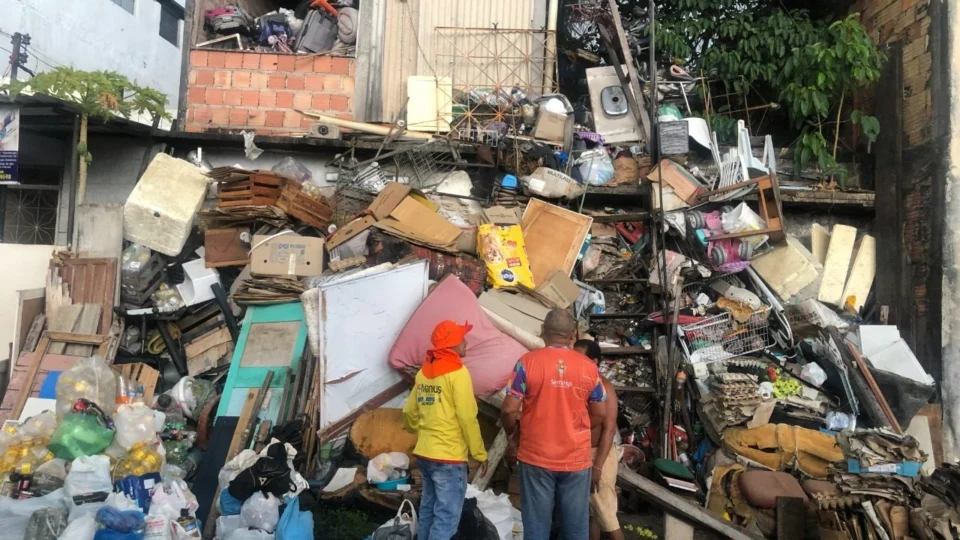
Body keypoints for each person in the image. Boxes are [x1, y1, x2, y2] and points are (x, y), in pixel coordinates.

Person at [501, 309, 612, 540]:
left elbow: (509, 409)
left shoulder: (526, 363)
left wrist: (513, 434)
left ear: (542, 330)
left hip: (536, 457)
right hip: (576, 459)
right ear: (573, 335)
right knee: (575, 528)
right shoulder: (589, 368)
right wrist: (576, 428)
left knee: (537, 527)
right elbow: (600, 413)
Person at [403, 320, 488, 540]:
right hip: (448, 459)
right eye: (462, 339)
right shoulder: (458, 373)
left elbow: (409, 412)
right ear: (452, 345)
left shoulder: (424, 373)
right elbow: (468, 417)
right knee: (446, 518)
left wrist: (417, 429)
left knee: (429, 510)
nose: (466, 342)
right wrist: (479, 453)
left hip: (425, 454)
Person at [574, 340, 625, 540]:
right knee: (591, 514)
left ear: (594, 361)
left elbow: (609, 430)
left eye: (580, 358)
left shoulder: (604, 386)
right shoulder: (580, 382)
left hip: (598, 455)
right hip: (582, 453)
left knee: (606, 516)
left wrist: (597, 467)